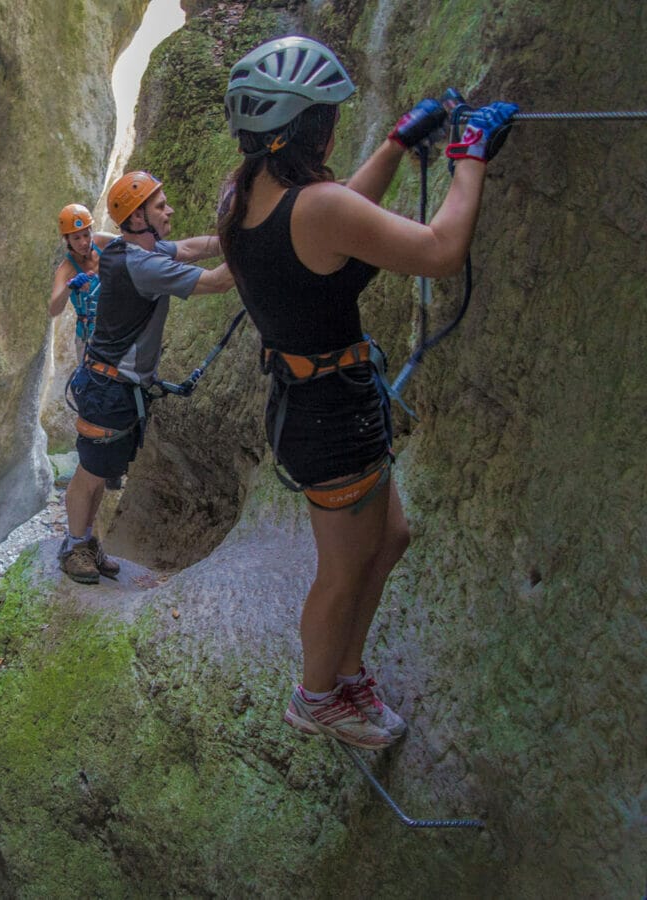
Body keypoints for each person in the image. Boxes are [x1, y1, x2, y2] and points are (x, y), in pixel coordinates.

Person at [218, 35, 517, 748]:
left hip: (322, 406)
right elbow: (440, 252)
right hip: (330, 417)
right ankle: (318, 696)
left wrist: (394, 143)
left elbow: (331, 217)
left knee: (392, 538)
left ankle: (344, 671)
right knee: (345, 569)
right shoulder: (316, 207)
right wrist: (468, 156)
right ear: (312, 126)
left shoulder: (246, 195)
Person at [58, 171, 235, 584]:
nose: (169, 210)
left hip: (111, 386)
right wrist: (262, 241)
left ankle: (87, 540)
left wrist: (234, 237)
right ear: (138, 218)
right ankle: (73, 545)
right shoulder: (143, 264)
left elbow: (191, 248)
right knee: (89, 473)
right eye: (160, 206)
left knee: (98, 470)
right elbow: (217, 282)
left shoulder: (129, 250)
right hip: (109, 388)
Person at [48, 203, 117, 365]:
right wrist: (69, 286)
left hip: (116, 323)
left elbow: (130, 244)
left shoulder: (102, 242)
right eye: (76, 238)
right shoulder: (66, 269)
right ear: (67, 240)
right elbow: (54, 309)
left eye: (86, 235)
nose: (84, 242)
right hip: (90, 337)